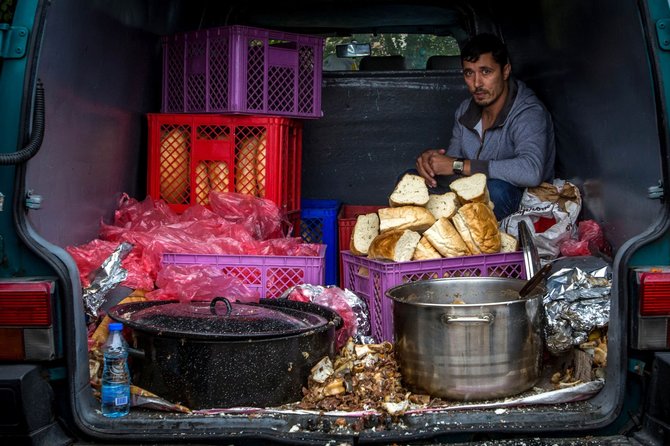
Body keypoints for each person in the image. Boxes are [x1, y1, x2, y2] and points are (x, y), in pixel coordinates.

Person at [413, 33, 556, 220]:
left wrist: (458, 165)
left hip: (522, 202)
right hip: (475, 199)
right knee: (411, 179)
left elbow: (531, 171)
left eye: (486, 72)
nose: (477, 84)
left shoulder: (528, 111)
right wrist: (432, 164)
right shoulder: (465, 111)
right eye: (469, 73)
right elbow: (452, 170)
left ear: (505, 71)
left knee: (497, 191)